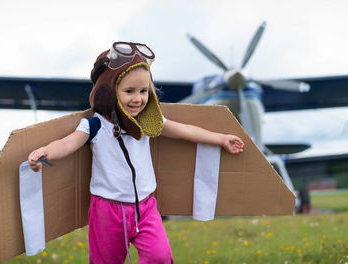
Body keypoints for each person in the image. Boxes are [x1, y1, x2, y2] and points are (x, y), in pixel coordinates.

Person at [28, 42, 244, 264]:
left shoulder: (148, 122)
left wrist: (220, 139)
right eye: (129, 91)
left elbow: (184, 131)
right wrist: (45, 152)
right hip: (107, 210)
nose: (138, 99)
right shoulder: (94, 125)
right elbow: (66, 144)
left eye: (143, 91)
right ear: (109, 92)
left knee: (160, 256)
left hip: (146, 207)